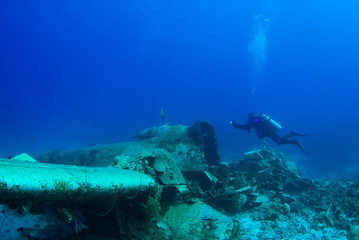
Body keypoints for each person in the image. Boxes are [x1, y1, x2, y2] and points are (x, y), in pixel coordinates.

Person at [231, 113, 309, 156]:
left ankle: (293, 138)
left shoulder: (254, 120)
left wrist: (236, 125)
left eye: (248, 118)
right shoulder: (255, 120)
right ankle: (292, 137)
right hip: (268, 132)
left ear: (250, 117)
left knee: (279, 142)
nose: (247, 119)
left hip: (269, 132)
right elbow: (248, 127)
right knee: (279, 141)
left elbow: (247, 127)